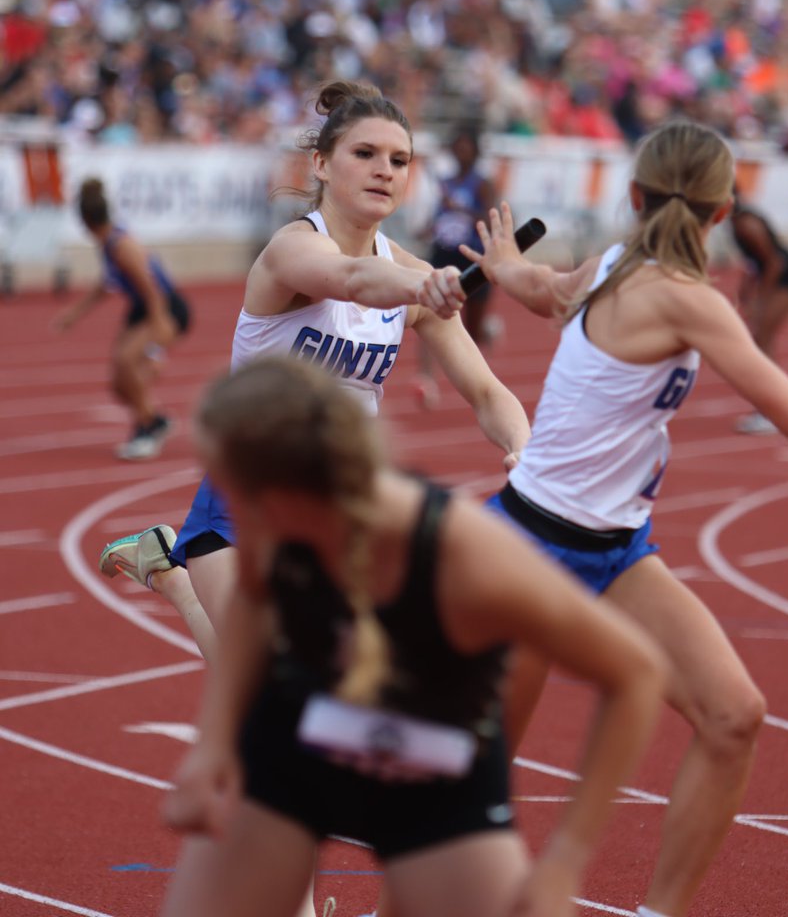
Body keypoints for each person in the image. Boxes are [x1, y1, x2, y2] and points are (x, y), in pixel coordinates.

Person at [98, 80, 531, 916]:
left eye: (399, 160)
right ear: (323, 165)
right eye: (365, 154)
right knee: (284, 708)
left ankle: (170, 575)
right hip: (247, 507)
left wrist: (521, 450)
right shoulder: (291, 252)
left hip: (345, 519)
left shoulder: (412, 272)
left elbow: (485, 390)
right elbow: (346, 278)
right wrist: (416, 290)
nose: (383, 171)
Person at [161, 355, 665, 917]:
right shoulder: (275, 525)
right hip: (295, 742)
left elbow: (636, 673)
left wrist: (564, 860)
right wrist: (213, 746)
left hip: (437, 769)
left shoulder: (462, 550)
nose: (226, 507)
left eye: (233, 488)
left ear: (287, 485)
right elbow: (253, 606)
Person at [460, 122, 781, 917]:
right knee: (476, 781)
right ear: (722, 212)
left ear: (635, 198)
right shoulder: (685, 298)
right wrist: (510, 271)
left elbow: (545, 293)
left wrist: (505, 266)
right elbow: (785, 405)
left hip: (615, 551)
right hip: (531, 549)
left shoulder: (615, 266)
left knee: (733, 715)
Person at [53, 177, 191, 460]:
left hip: (164, 308)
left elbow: (151, 288)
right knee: (119, 385)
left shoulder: (120, 245)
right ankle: (153, 420)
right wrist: (74, 314)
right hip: (144, 309)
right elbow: (105, 285)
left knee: (129, 361)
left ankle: (149, 426)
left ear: (86, 221)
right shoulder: (108, 242)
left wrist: (157, 341)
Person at [414, 127, 499, 408]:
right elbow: (440, 214)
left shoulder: (482, 184)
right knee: (429, 311)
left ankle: (483, 338)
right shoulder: (446, 182)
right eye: (457, 146)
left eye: (466, 147)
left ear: (475, 152)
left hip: (471, 254)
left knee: (471, 325)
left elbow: (489, 219)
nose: (461, 152)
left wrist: (459, 209)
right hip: (443, 251)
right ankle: (426, 377)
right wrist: (428, 229)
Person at [729, 191, 788, 433]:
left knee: (763, 339)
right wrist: (746, 292)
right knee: (760, 340)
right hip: (776, 276)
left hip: (786, 277)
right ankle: (771, 409)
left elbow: (774, 263)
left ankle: (774, 411)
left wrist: (760, 300)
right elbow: (754, 263)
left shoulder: (747, 224)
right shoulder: (736, 223)